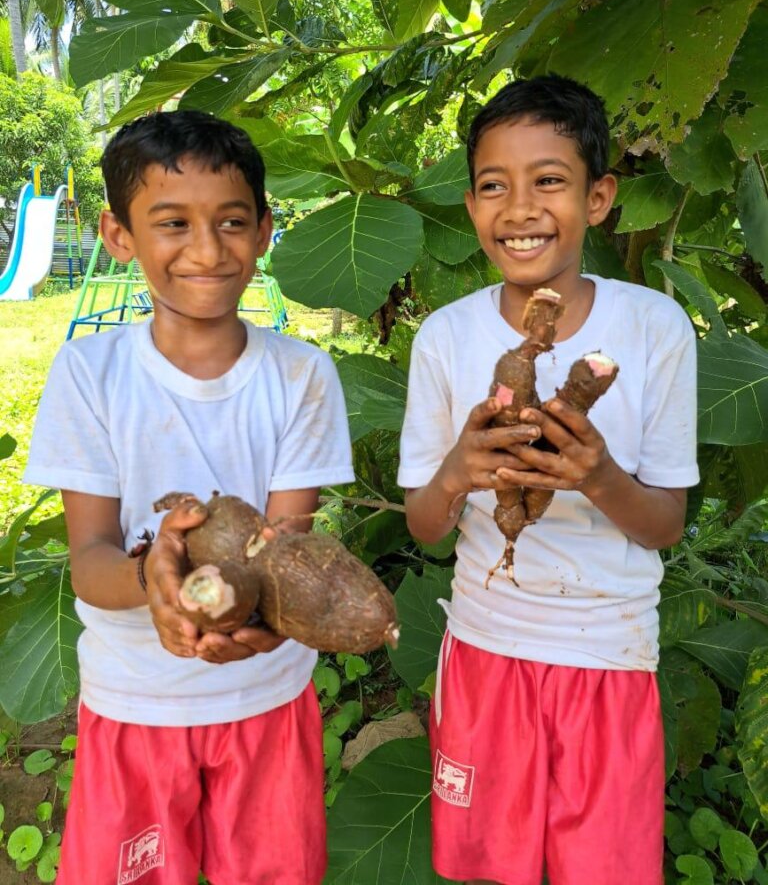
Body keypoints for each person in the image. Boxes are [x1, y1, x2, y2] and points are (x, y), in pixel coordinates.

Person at [23, 111, 355, 885]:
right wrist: (152, 579)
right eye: (172, 223)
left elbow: (284, 553)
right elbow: (90, 560)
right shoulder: (88, 373)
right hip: (136, 705)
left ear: (266, 230)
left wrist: (268, 623)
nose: (207, 250)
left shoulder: (303, 376)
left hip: (266, 699)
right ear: (118, 235)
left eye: (232, 221)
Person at [398, 74, 698, 885]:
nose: (520, 208)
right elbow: (423, 523)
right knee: (486, 865)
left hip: (608, 653)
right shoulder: (446, 339)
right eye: (494, 186)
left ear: (599, 198)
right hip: (486, 650)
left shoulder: (654, 328)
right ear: (470, 207)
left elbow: (665, 522)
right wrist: (460, 469)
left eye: (550, 182)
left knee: (599, 869)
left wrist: (597, 475)